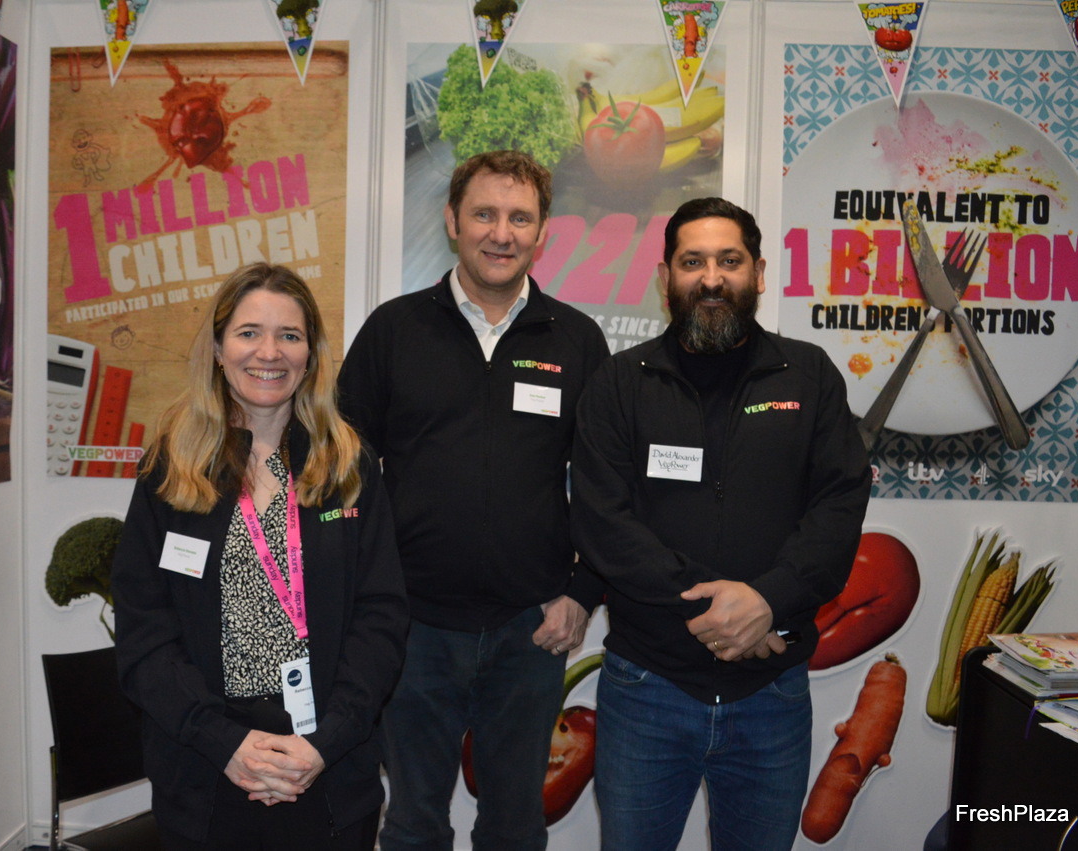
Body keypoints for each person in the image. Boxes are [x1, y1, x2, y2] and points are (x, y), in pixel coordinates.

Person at [570, 197, 871, 850]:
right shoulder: (620, 382)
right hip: (647, 690)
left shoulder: (809, 376)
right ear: (665, 278)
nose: (711, 278)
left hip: (771, 694)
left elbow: (839, 505)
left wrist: (767, 601)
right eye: (693, 262)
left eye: (729, 261)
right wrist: (728, 611)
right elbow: (603, 521)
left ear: (758, 273)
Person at [337, 150, 610, 850]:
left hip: (531, 630)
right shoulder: (394, 330)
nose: (501, 233)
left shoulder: (577, 340)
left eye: (520, 218)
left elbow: (610, 486)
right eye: (485, 214)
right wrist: (366, 595)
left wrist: (583, 592)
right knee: (413, 823)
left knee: (515, 826)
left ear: (542, 232)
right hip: (413, 630)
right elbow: (340, 475)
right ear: (452, 221)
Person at [111, 262, 409, 850]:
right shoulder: (171, 469)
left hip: (326, 766)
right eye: (248, 332)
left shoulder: (347, 466)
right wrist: (224, 743)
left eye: (289, 335)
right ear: (218, 349)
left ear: (310, 354)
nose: (269, 353)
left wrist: (323, 743)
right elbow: (145, 631)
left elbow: (381, 618)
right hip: (207, 770)